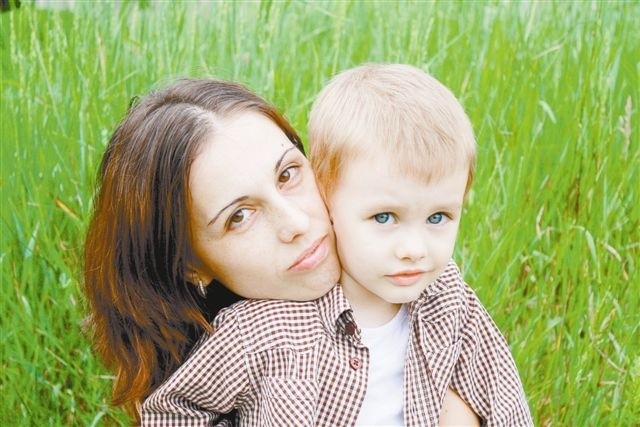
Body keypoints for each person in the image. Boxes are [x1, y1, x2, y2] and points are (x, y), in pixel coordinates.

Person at [142, 66, 532, 426]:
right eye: (239, 216)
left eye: (438, 218)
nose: (414, 248)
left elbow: (504, 399)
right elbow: (174, 411)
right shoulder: (259, 333)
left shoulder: (448, 300)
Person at [83, 78, 342, 422]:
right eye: (240, 216)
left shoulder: (416, 250)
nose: (295, 224)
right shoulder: (234, 356)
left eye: (287, 174)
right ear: (190, 265)